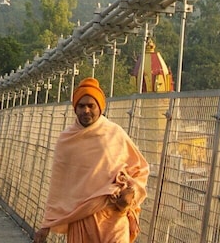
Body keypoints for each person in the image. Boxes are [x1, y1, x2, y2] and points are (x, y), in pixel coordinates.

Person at [32, 78, 149, 243]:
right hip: (81, 218)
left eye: (91, 105)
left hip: (113, 215)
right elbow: (58, 188)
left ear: (100, 107)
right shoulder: (66, 140)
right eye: (81, 106)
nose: (86, 110)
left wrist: (132, 191)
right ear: (75, 108)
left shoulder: (115, 134)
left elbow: (140, 169)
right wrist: (46, 226)